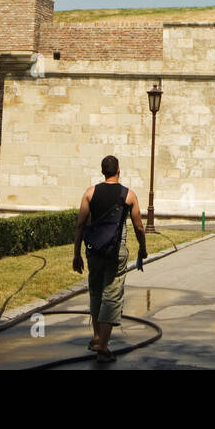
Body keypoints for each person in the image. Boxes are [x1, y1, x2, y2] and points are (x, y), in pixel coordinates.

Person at [73, 155, 148, 363]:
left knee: (96, 292)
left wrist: (76, 253)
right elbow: (139, 226)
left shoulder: (90, 193)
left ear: (102, 171)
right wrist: (142, 248)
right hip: (116, 251)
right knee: (112, 295)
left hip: (94, 251)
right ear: (118, 171)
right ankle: (103, 347)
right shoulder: (129, 195)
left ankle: (97, 337)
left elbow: (80, 225)